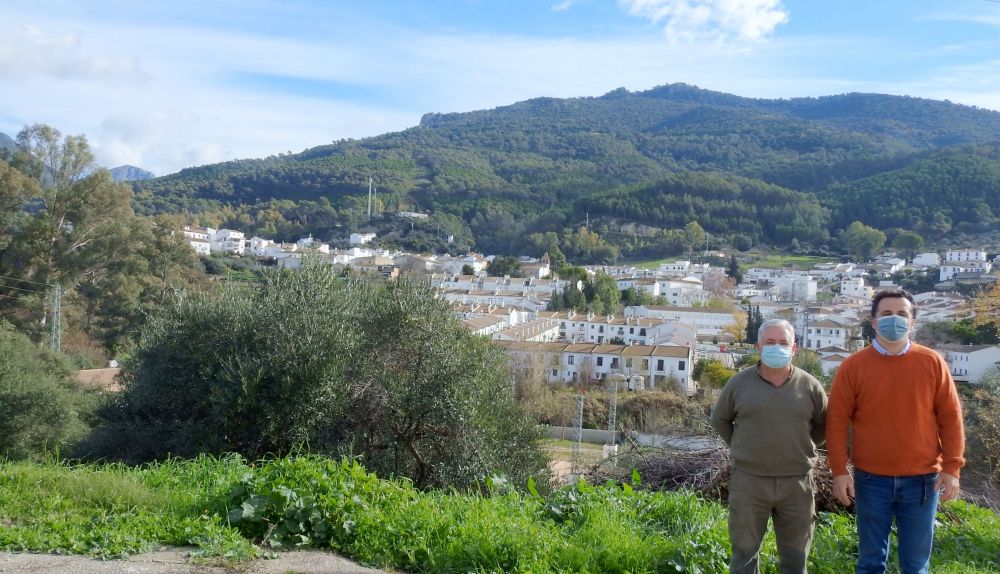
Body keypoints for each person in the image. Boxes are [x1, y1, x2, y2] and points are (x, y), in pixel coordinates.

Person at [826, 288, 965, 574]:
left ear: (912, 322)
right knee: (870, 562)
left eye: (902, 313)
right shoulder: (853, 366)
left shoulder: (932, 362)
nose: (894, 319)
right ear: (874, 321)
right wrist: (839, 471)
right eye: (887, 313)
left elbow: (951, 418)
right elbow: (836, 422)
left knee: (916, 565)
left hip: (922, 481)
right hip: (870, 479)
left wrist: (952, 468)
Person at [711, 319, 827, 574]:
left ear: (794, 348)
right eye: (770, 342)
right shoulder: (738, 384)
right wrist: (743, 446)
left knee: (796, 559)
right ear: (758, 347)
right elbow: (720, 420)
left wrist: (800, 446)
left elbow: (823, 427)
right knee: (743, 557)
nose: (777, 348)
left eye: (783, 343)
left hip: (797, 484)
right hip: (749, 482)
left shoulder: (810, 386)